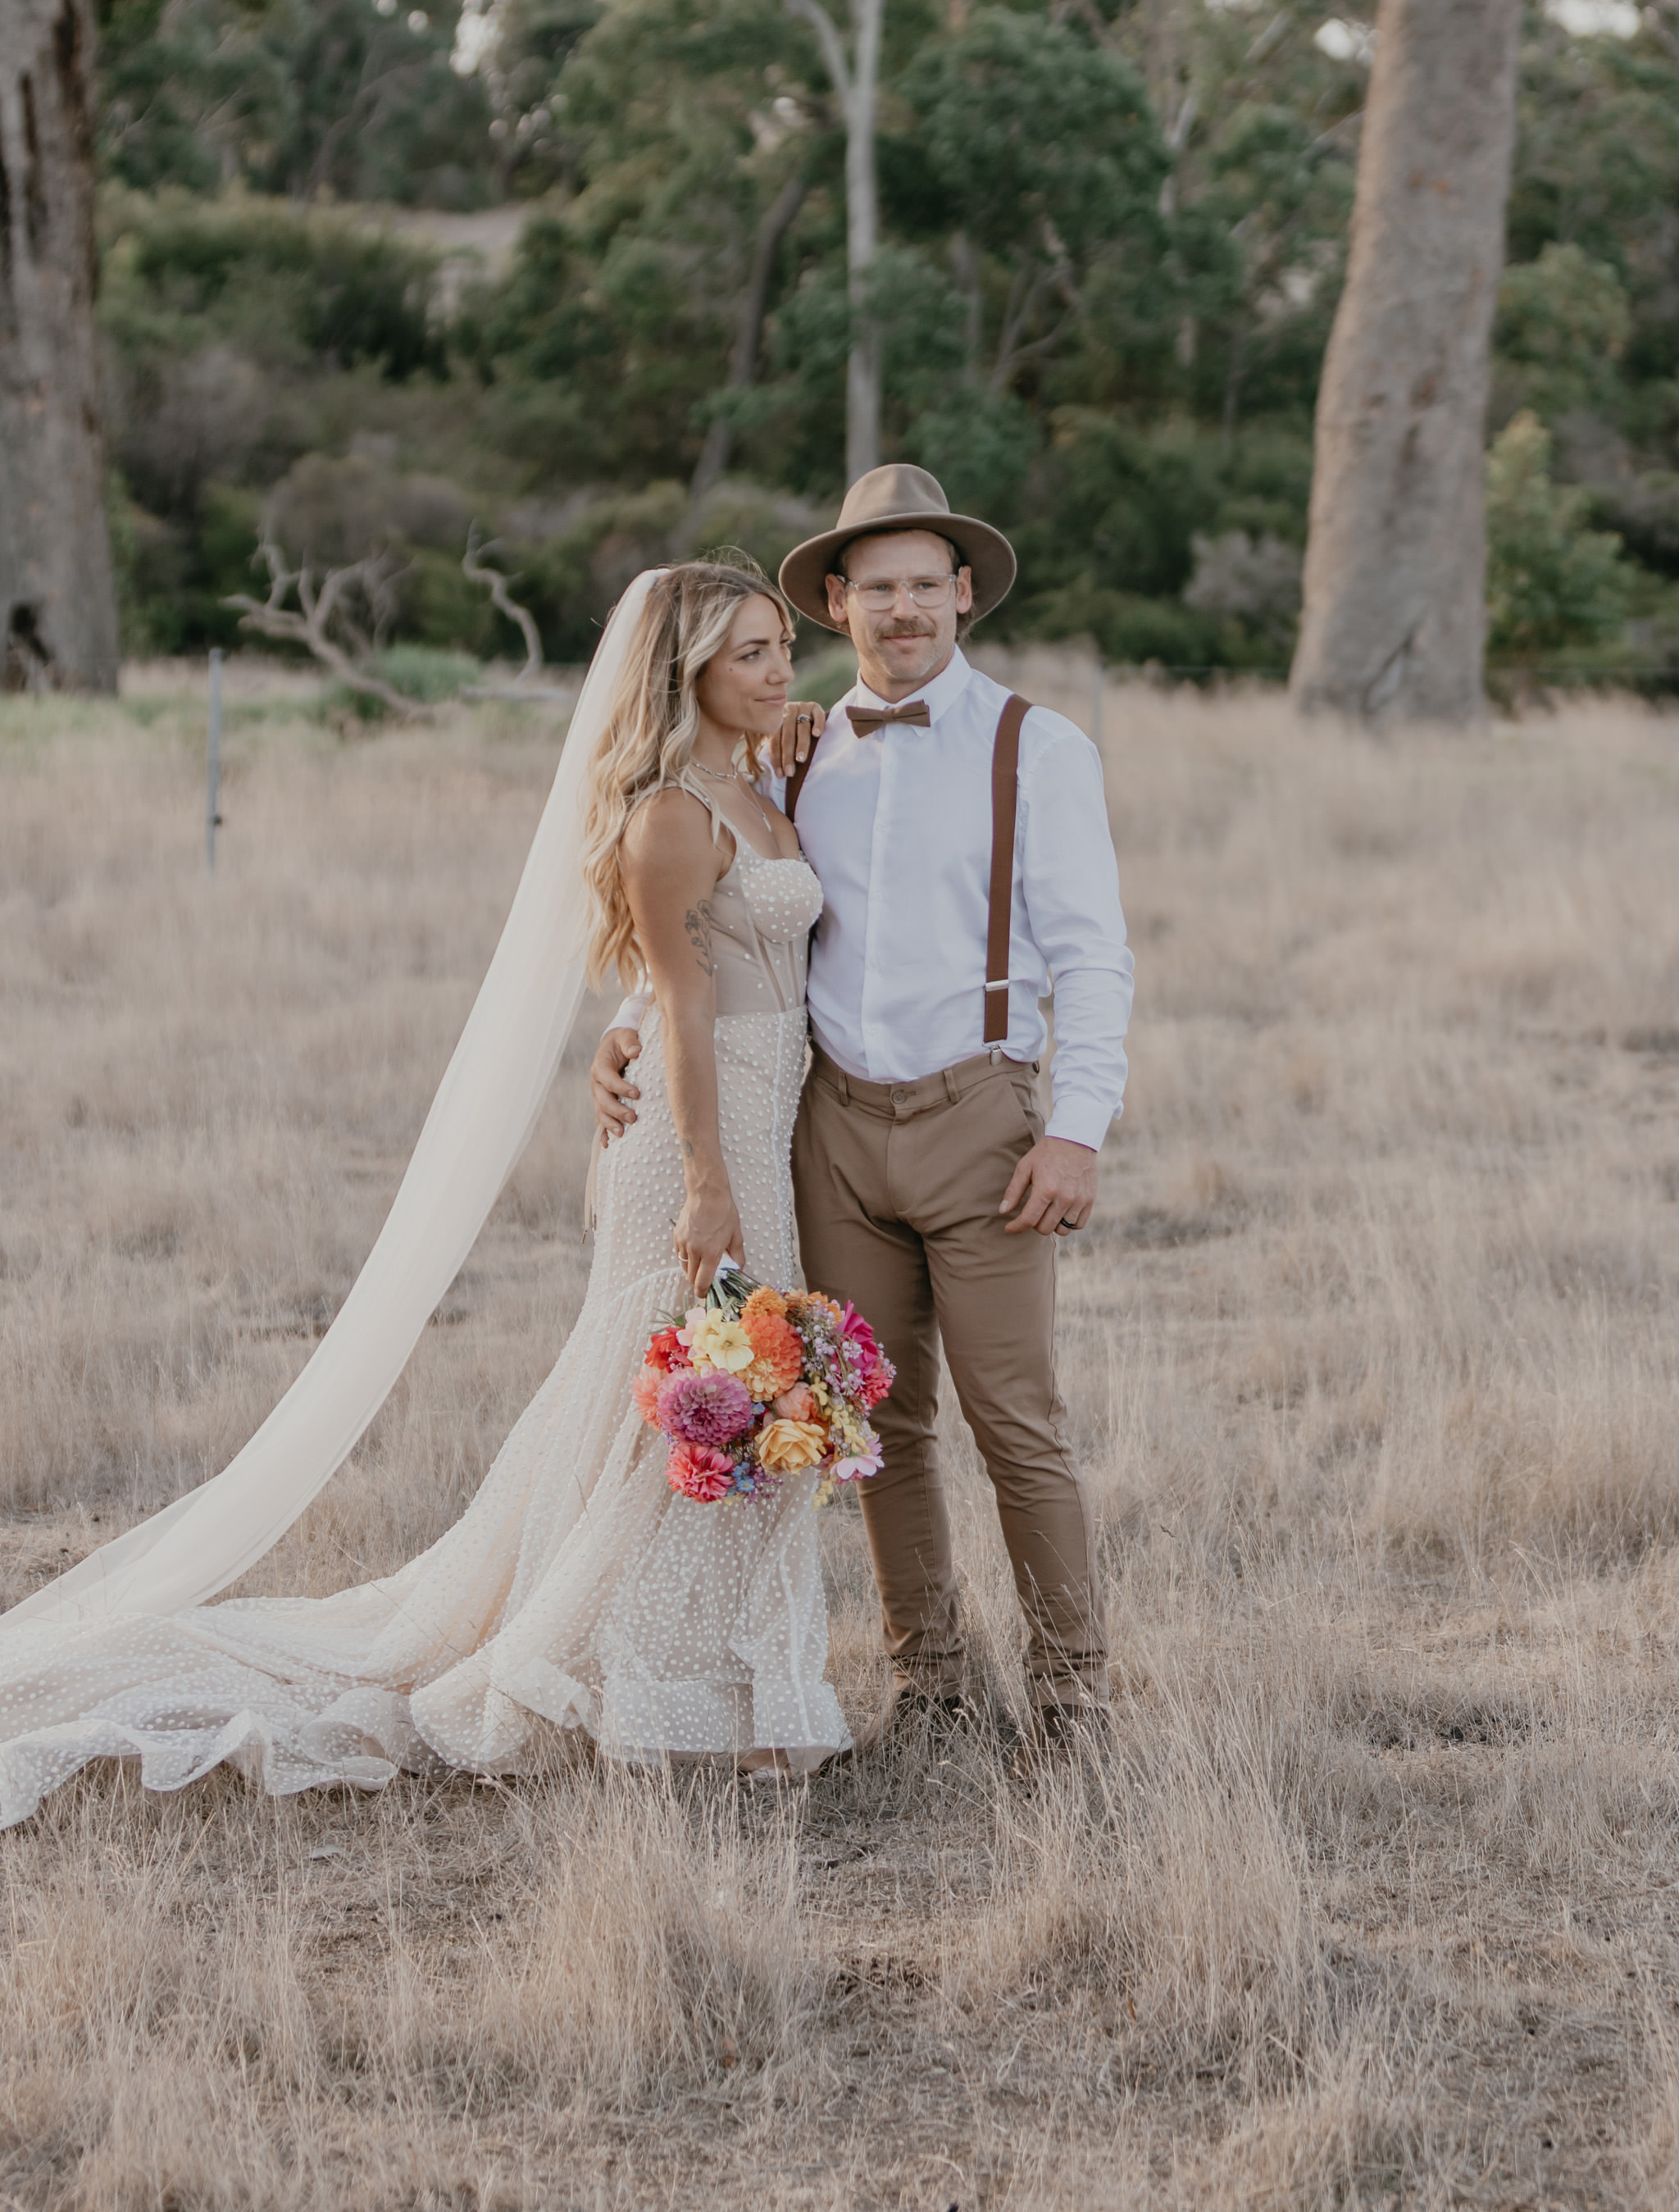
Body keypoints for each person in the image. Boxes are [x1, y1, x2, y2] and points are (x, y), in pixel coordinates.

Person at [0, 560, 850, 1829]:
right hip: (702, 1141)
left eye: (782, 647)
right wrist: (707, 1182)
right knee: (691, 1410)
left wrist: (790, 736)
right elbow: (681, 1005)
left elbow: (724, 963)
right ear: (687, 674)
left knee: (745, 1405)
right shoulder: (672, 817)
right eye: (751, 654)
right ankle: (642, 1690)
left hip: (764, 1122)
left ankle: (725, 1689)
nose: (780, 670)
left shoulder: (762, 777)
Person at [592, 465, 1134, 1750]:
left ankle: (1072, 1693)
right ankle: (929, 1685)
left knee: (1017, 1420)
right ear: (837, 603)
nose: (903, 610)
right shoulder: (795, 752)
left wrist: (1078, 1128)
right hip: (829, 1126)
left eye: (924, 585)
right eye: (876, 587)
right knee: (874, 1420)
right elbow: (717, 920)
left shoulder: (1040, 748)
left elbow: (1093, 955)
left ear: (964, 594)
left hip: (982, 1117)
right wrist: (625, 1023)